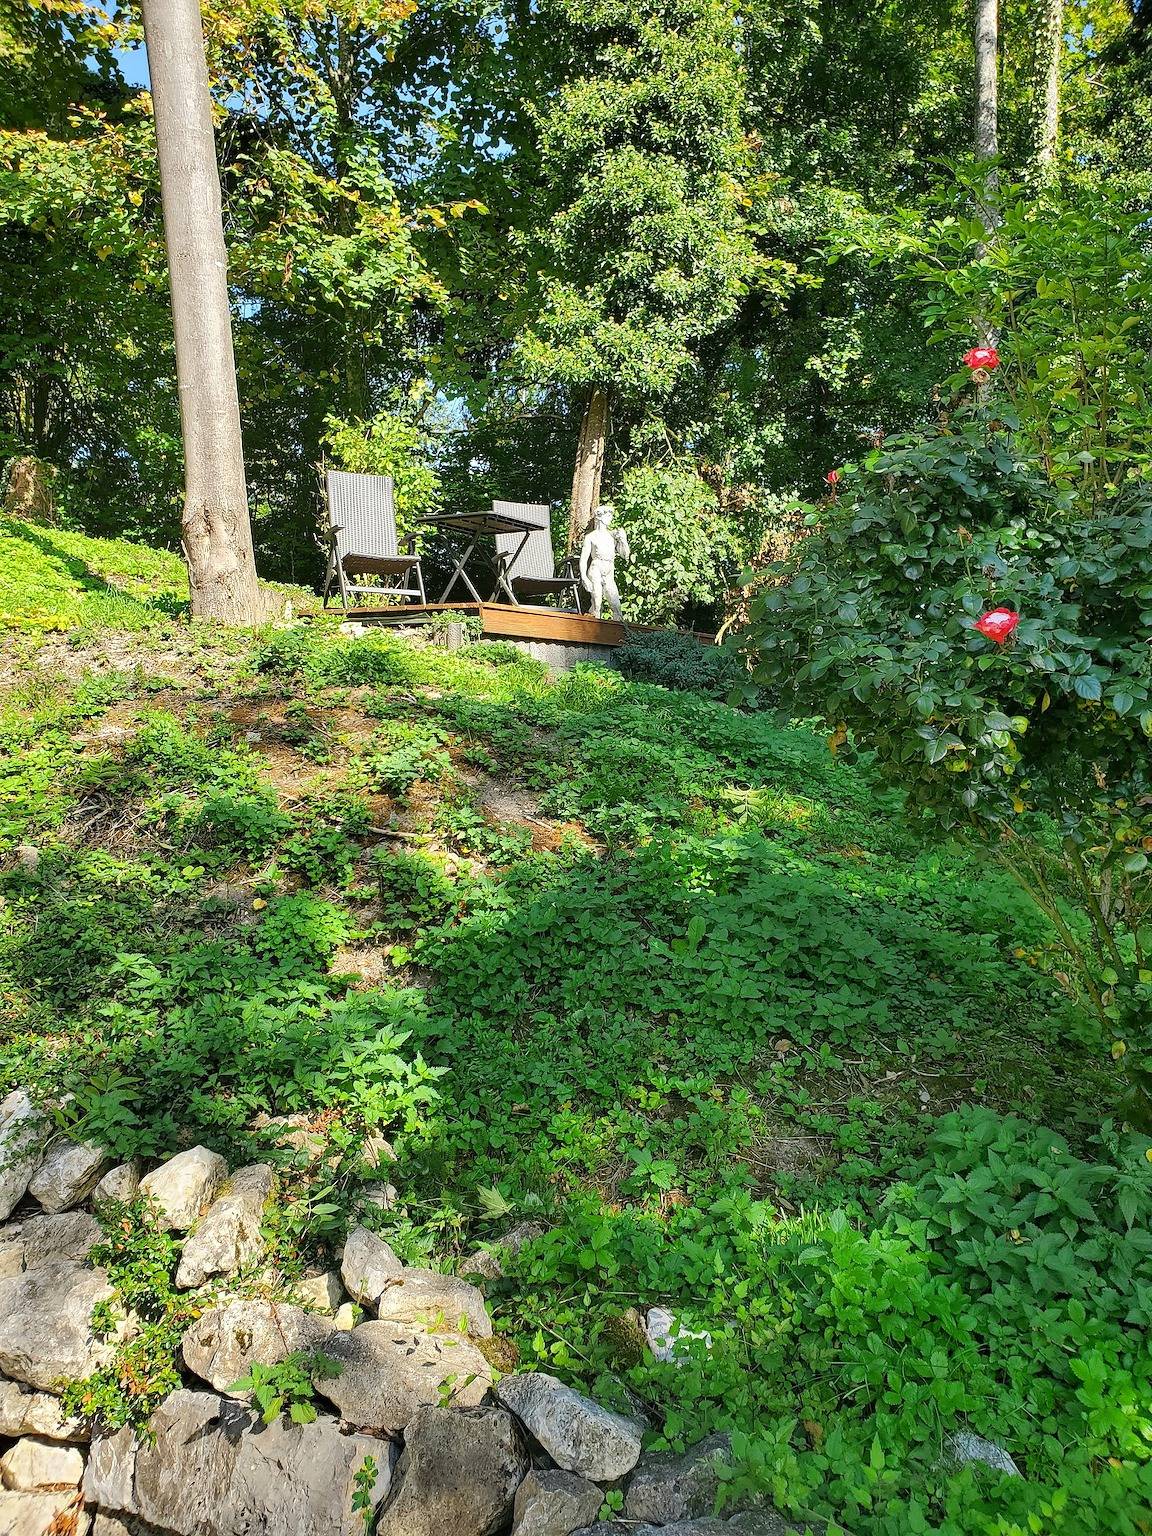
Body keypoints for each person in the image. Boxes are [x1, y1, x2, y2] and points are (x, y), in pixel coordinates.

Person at [579, 504, 630, 620]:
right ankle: (593, 630)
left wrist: (623, 540)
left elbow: (625, 555)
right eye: (608, 516)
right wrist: (584, 578)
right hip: (596, 567)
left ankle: (619, 631)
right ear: (600, 517)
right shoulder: (591, 537)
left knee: (615, 604)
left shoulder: (612, 536)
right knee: (597, 602)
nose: (611, 518)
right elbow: (584, 558)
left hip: (609, 570)